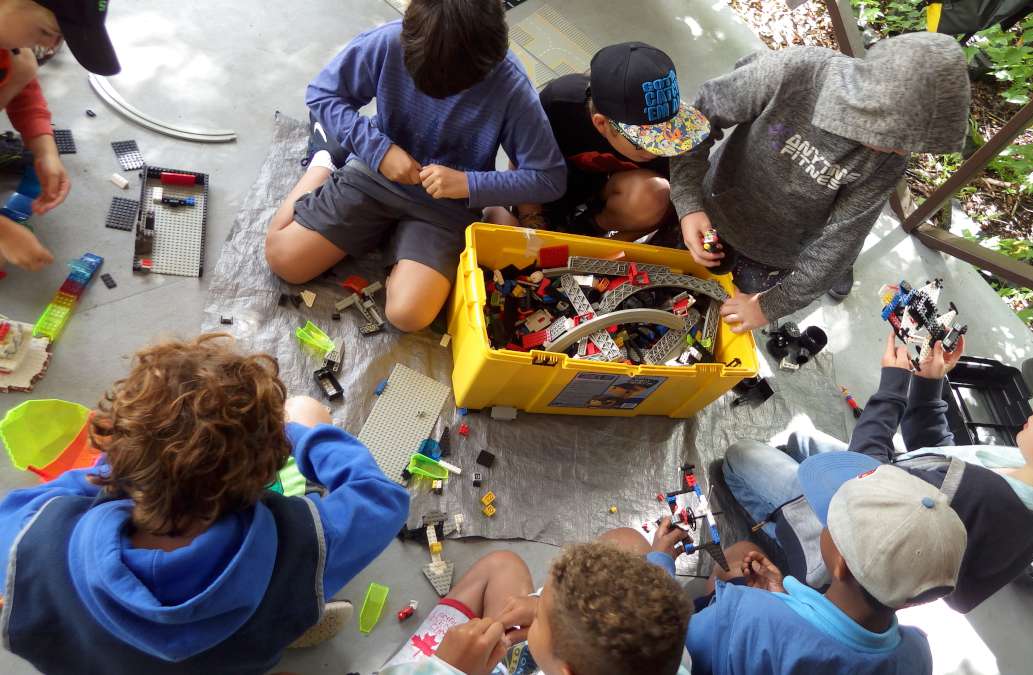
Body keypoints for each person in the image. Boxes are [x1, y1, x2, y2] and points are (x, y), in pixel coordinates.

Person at [0, 334, 411, 673]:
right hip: (240, 648)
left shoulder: (32, 536)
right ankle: (292, 621)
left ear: (113, 441)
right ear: (267, 471)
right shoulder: (304, 543)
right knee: (306, 408)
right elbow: (381, 498)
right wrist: (302, 433)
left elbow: (73, 488)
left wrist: (121, 465)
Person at [721, 332, 1033, 612]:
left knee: (743, 455)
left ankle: (784, 548)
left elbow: (859, 479)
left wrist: (893, 388)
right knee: (801, 439)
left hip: (847, 532)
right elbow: (937, 452)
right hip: (895, 482)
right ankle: (791, 505)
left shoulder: (963, 496)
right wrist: (928, 384)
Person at [264, 0, 566, 332]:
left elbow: (549, 177)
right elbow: (323, 94)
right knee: (284, 260)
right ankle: (323, 161)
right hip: (377, 172)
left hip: (446, 201)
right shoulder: (389, 41)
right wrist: (378, 150)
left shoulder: (510, 85)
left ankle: (398, 239)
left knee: (409, 315)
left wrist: (470, 185)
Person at [669, 32, 969, 332]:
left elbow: (839, 245)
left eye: (913, 143)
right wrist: (688, 203)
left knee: (717, 320)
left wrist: (766, 307)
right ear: (871, 99)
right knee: (669, 279)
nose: (901, 150)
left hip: (774, 253)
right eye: (895, 136)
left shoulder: (888, 161)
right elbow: (699, 117)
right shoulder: (798, 71)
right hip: (711, 207)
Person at [687, 451, 967, 674]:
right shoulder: (917, 655)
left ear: (840, 564)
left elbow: (668, 646)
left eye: (830, 520)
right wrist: (786, 600)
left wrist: (659, 558)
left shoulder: (744, 613)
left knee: (736, 556)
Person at [379, 519, 694, 675]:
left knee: (499, 565)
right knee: (626, 540)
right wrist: (660, 564)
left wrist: (447, 667)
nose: (534, 605)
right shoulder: (669, 660)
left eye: (541, 612)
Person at [489, 42, 710, 242]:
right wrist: (532, 224)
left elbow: (671, 210)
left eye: (670, 135)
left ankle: (587, 231)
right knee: (499, 227)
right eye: (644, 142)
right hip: (545, 190)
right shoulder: (559, 104)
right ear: (601, 123)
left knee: (657, 194)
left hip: (607, 205)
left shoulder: (676, 144)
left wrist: (595, 254)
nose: (661, 148)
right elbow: (523, 162)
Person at [0, 0, 120, 272]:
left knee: (22, 64)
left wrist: (45, 152)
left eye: (61, 38)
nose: (52, 47)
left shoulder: (9, 43)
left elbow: (24, 93)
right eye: (45, 32)